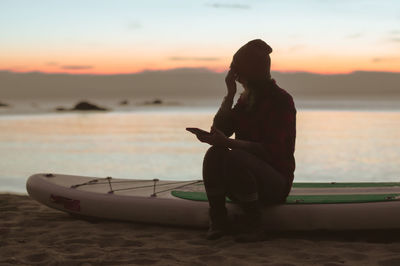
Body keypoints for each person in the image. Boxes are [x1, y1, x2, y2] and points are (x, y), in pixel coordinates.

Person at [194, 39, 296, 242]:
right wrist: (230, 94)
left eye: (238, 71)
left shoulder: (281, 100)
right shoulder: (245, 99)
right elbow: (222, 129)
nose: (236, 76)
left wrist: (229, 144)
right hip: (242, 179)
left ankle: (254, 225)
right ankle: (218, 220)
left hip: (275, 184)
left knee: (236, 157)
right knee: (215, 153)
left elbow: (271, 150)